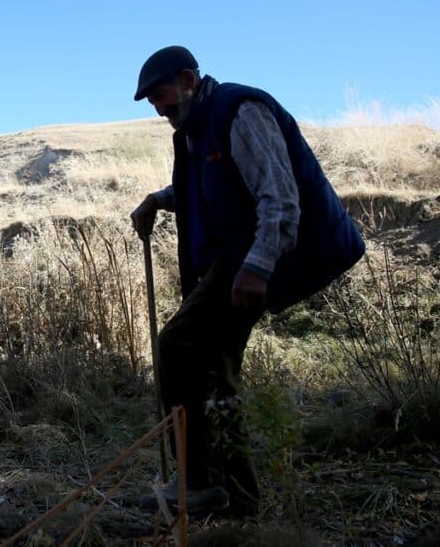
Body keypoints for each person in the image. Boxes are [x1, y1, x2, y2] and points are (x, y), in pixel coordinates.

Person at [129, 46, 365, 517]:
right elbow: (210, 186)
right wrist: (158, 199)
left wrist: (257, 266)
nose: (158, 108)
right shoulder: (199, 130)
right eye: (152, 101)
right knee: (215, 373)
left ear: (189, 80)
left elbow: (279, 195)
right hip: (232, 259)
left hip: (244, 258)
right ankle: (237, 500)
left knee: (179, 346)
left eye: (160, 94)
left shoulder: (241, 111)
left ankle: (199, 483)